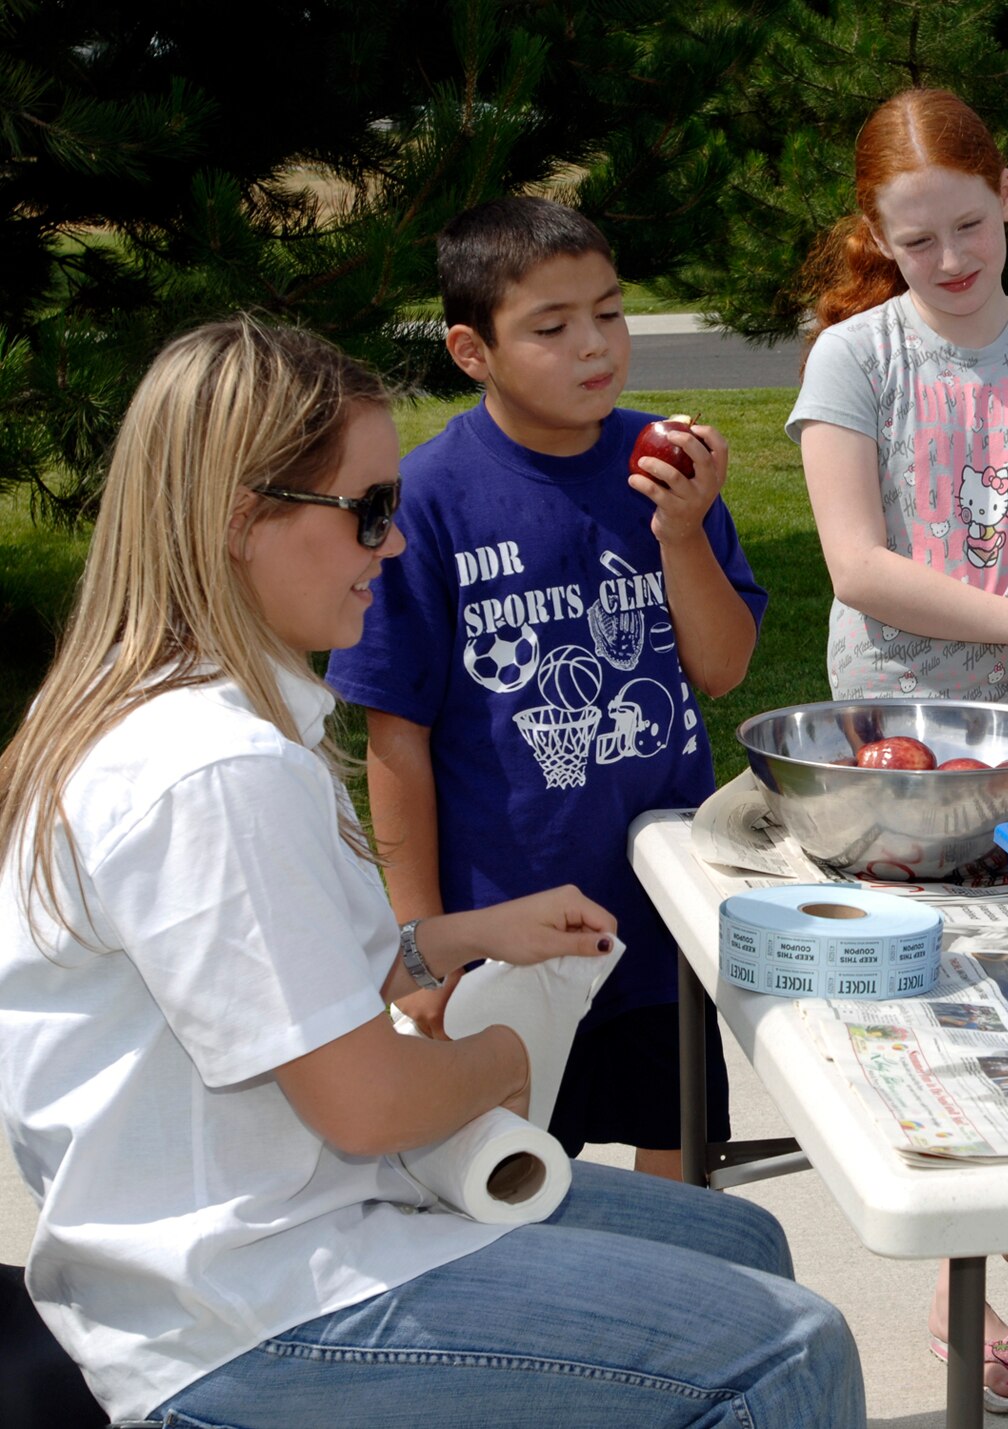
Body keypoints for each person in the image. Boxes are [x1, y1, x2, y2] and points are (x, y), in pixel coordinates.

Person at [0, 316, 864, 1426]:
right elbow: (366, 1103)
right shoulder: (209, 768)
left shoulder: (170, 713)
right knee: (783, 1349)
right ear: (235, 522)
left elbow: (252, 980)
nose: (394, 546)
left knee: (740, 1235)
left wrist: (451, 937)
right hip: (244, 1309)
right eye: (367, 511)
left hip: (279, 1231)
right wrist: (501, 1057)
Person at [785, 88, 1008, 1413]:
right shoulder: (856, 360)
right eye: (916, 239)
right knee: (919, 1013)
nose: (950, 261)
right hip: (894, 749)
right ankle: (971, 1271)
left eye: (970, 226)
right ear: (875, 231)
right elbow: (860, 568)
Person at [327, 196, 764, 1181]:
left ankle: (678, 1315)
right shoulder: (427, 499)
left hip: (658, 908)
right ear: (470, 351)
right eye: (551, 327)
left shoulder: (669, 470)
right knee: (506, 1171)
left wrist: (682, 534)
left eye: (609, 314)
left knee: (681, 1144)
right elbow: (395, 740)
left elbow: (722, 666)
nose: (593, 347)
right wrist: (423, 944)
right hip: (504, 928)